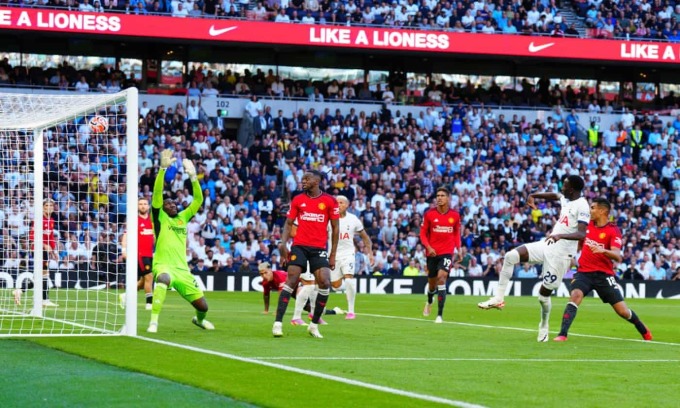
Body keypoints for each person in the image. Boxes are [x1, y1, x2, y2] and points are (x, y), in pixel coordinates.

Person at [478, 175, 589, 342]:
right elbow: (554, 195)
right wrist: (533, 195)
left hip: (561, 255)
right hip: (548, 244)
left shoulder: (582, 206)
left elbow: (582, 233)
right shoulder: (566, 198)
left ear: (572, 189)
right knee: (510, 256)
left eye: (565, 186)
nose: (562, 188)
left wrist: (560, 235)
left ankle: (544, 325)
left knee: (543, 296)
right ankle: (498, 298)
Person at [554, 198, 652, 342]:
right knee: (575, 295)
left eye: (593, 208)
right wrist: (569, 258)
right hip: (584, 273)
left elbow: (617, 256)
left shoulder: (613, 231)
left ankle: (644, 330)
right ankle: (562, 334)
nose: (590, 210)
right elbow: (579, 245)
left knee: (623, 311)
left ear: (602, 211)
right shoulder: (586, 226)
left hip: (604, 275)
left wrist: (603, 250)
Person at [147, 149, 214, 333]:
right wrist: (162, 169)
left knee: (203, 307)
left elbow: (199, 200)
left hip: (183, 269)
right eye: (168, 204)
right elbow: (157, 194)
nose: (173, 204)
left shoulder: (183, 217)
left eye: (174, 203)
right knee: (163, 279)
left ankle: (199, 320)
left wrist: (193, 177)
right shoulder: (160, 217)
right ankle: (153, 321)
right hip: (163, 265)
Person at [272, 170, 339, 338]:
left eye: (306, 179)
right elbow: (288, 224)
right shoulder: (298, 199)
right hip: (299, 246)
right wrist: (283, 244)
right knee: (292, 280)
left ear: (316, 182)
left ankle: (314, 325)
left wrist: (332, 254)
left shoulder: (330, 201)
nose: (303, 181)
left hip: (318, 248)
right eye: (302, 179)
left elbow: (336, 229)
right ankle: (278, 323)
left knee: (325, 282)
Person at [419, 187, 461, 323]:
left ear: (448, 198)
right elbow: (422, 234)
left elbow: (456, 233)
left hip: (447, 252)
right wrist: (429, 247)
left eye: (442, 195)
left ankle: (439, 315)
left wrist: (458, 249)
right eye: (438, 195)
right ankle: (430, 300)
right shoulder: (429, 214)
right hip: (432, 253)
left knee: (441, 278)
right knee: (432, 285)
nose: (439, 198)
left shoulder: (455, 215)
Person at [328, 195, 374, 319]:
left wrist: (370, 253)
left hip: (348, 254)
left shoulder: (353, 219)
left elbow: (365, 237)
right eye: (336, 202)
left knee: (349, 279)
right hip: (333, 255)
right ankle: (350, 288)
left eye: (341, 202)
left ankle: (351, 311)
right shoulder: (329, 219)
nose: (338, 205)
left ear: (347, 205)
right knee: (335, 286)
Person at [14, 200, 59, 307]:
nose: (49, 207)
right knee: (44, 274)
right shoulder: (39, 220)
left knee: (40, 276)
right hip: (38, 250)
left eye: (51, 205)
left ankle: (21, 291)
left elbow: (51, 237)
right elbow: (32, 236)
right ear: (43, 207)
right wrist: (44, 245)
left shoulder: (51, 220)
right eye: (47, 205)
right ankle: (44, 300)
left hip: (46, 251)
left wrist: (53, 251)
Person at [120, 198, 155, 310]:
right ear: (137, 206)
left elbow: (153, 238)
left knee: (143, 280)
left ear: (148, 206)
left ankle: (125, 295)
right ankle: (149, 303)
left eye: (145, 204)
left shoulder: (152, 221)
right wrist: (124, 250)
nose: (143, 206)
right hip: (139, 254)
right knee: (149, 276)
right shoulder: (134, 220)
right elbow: (125, 236)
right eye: (140, 204)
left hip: (150, 254)